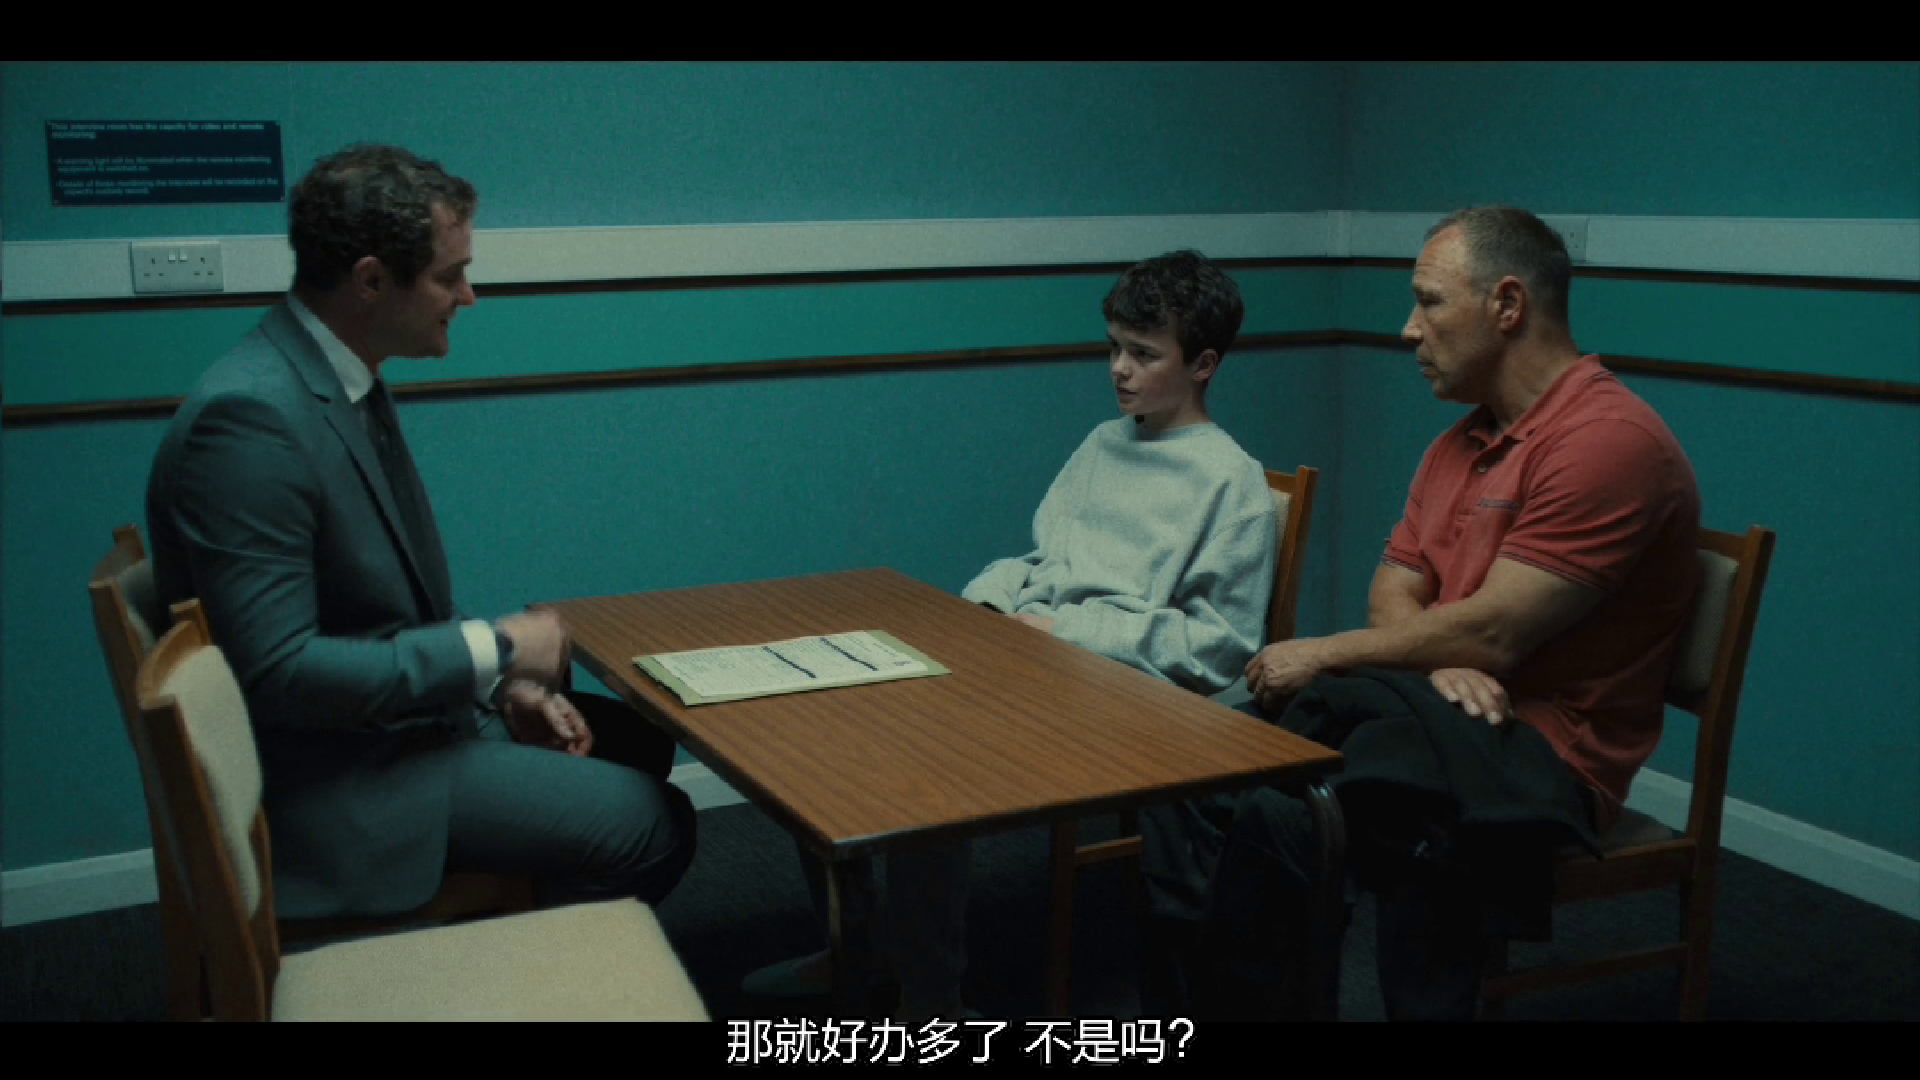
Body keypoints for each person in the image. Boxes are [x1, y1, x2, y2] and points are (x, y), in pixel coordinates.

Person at [1140, 205, 1703, 1020]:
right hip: (1433, 705)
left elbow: (1496, 632)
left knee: (1297, 807)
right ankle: (1205, 1003)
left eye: (1429, 301)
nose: (1409, 329)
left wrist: (1328, 652)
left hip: (1542, 756)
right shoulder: (1455, 444)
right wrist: (1440, 662)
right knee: (1191, 764)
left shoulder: (1607, 441)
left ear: (1507, 305)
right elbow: (1394, 592)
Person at [146, 144, 695, 920]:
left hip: (384, 734)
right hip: (337, 782)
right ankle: (464, 960)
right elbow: (277, 673)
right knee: (653, 826)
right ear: (372, 281)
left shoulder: (333, 380)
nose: (469, 296)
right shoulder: (249, 423)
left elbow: (381, 613)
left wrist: (498, 685)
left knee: (638, 741)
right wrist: (495, 648)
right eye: (449, 275)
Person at [745, 250, 1278, 1018]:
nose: (1119, 369)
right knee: (827, 721)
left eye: (1143, 354)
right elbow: (1043, 560)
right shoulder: (1104, 444)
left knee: (927, 762)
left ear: (1204, 365)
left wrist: (1067, 629)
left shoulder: (1232, 482)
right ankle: (859, 943)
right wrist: (990, 605)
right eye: (1113, 347)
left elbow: (1218, 645)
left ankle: (930, 995)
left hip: (1123, 690)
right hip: (1037, 652)